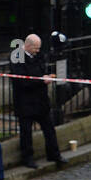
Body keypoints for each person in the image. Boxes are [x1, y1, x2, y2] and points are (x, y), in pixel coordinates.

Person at [11, 34, 67, 169]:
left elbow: (42, 70)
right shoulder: (17, 58)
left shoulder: (39, 56)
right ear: (28, 46)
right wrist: (41, 80)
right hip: (25, 101)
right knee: (26, 133)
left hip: (41, 100)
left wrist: (45, 77)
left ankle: (54, 153)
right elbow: (22, 81)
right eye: (35, 48)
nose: (37, 51)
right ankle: (28, 158)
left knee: (49, 128)